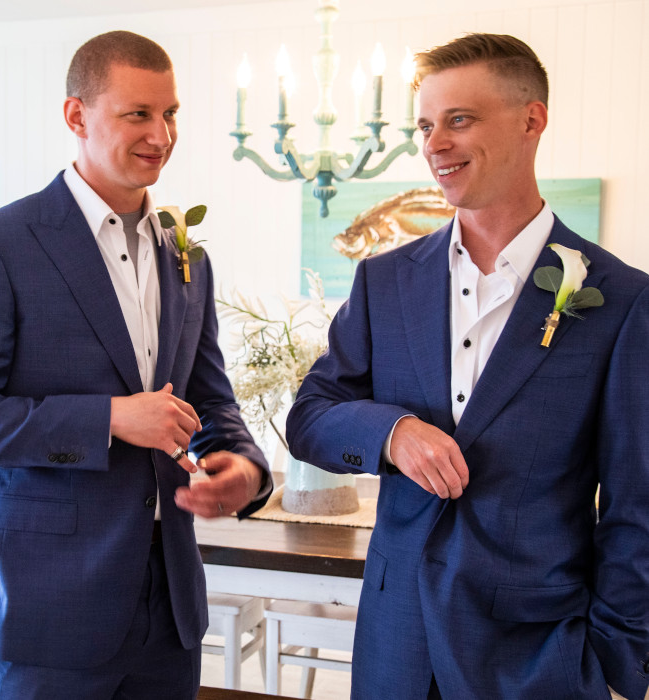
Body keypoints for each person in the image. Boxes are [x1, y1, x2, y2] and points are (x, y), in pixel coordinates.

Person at [286, 33, 648, 700]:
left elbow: (637, 507)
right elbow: (310, 417)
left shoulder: (623, 299)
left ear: (532, 120)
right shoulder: (383, 282)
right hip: (396, 647)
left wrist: (615, 665)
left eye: (459, 120)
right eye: (425, 125)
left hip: (540, 658)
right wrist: (390, 432)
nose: (434, 145)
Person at [0, 30, 271, 699]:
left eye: (171, 113)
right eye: (138, 114)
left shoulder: (189, 258)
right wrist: (110, 419)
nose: (162, 133)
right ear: (77, 116)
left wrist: (242, 466)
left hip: (170, 612)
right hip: (47, 614)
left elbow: (209, 401)